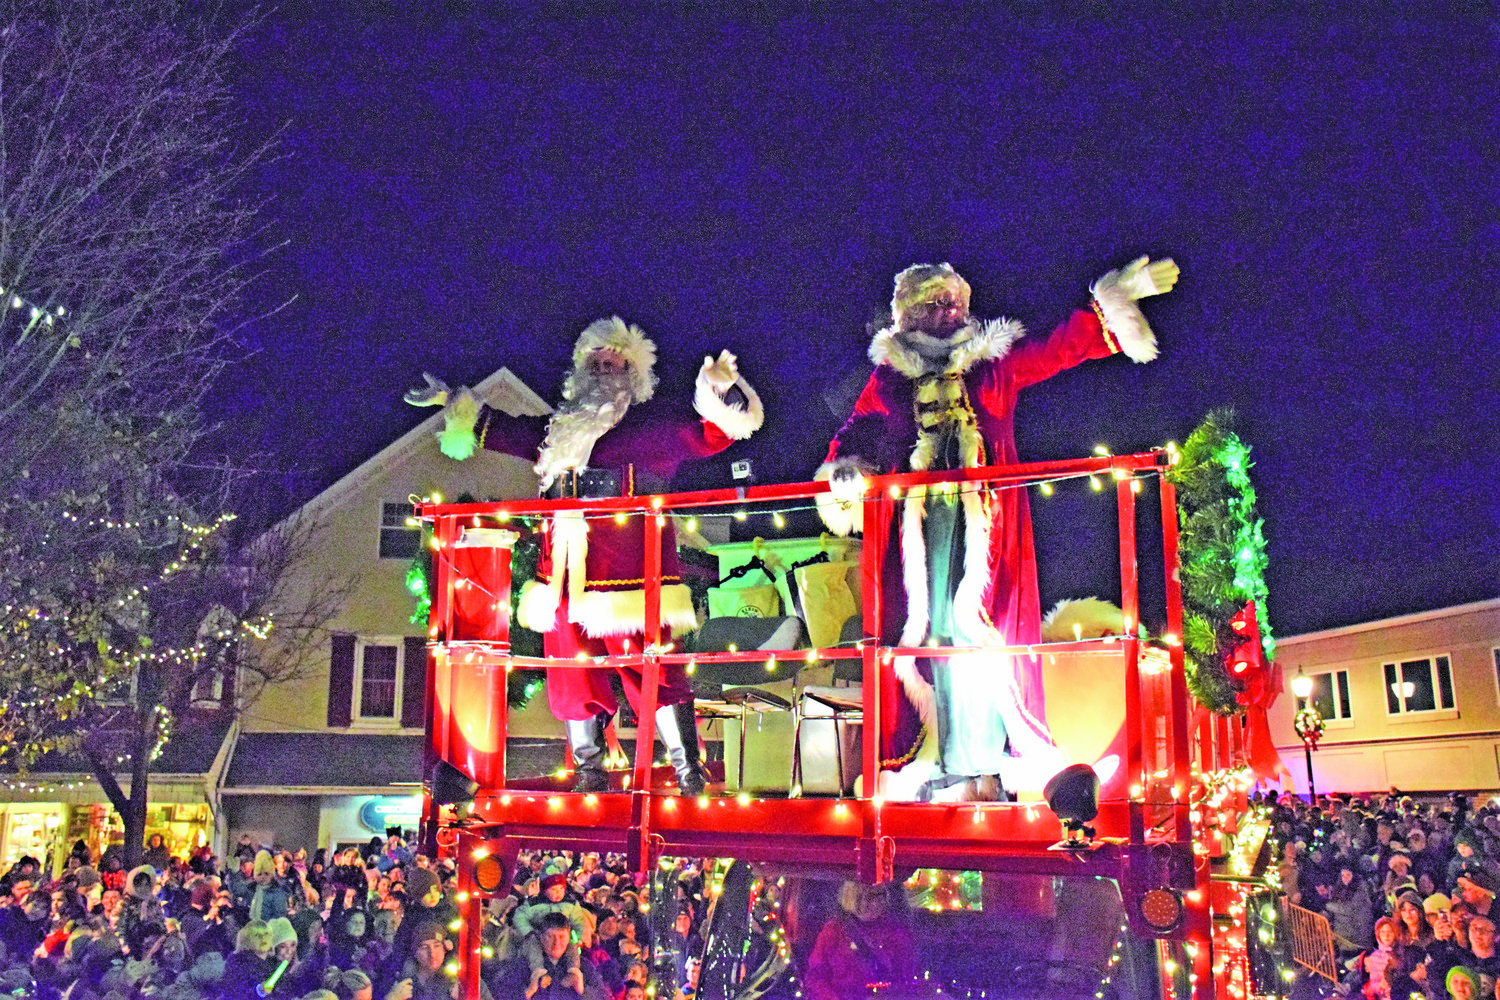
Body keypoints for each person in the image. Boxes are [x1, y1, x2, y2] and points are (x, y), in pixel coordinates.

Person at [815, 258, 1177, 801]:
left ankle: (990, 756)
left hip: (988, 527)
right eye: (931, 304)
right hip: (918, 531)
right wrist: (844, 471)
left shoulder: (991, 364)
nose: (944, 313)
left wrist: (1111, 304)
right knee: (925, 633)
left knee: (984, 632)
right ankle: (929, 757)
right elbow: (853, 435)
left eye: (951, 302)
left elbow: (1055, 351)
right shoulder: (887, 378)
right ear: (908, 314)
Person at [408, 317, 765, 795]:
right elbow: (504, 431)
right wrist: (452, 403)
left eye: (613, 362)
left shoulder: (654, 429)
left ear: (632, 374)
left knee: (653, 673)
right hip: (563, 576)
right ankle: (589, 772)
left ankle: (687, 770)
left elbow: (711, 435)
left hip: (632, 580)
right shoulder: (559, 430)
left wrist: (723, 394)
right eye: (595, 362)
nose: (602, 370)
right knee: (571, 678)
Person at [804, 882, 917, 1000]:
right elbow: (815, 978)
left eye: (879, 896)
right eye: (868, 897)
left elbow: (909, 976)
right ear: (852, 899)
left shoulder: (897, 933)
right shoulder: (833, 932)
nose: (875, 903)